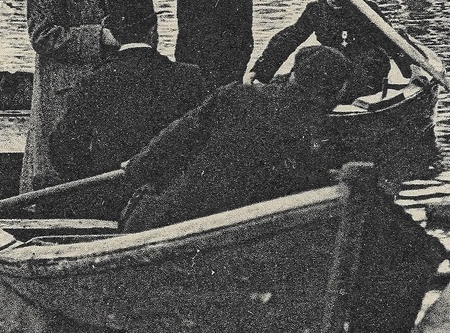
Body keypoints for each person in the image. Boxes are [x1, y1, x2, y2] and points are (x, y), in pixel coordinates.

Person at [120, 45, 352, 233]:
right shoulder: (319, 132)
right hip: (226, 232)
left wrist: (134, 167)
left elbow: (175, 138)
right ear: (335, 93)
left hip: (162, 221)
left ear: (293, 74)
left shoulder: (235, 95)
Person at [48, 0, 210, 219]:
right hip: (174, 203)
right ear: (154, 28)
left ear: (112, 33)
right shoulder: (190, 76)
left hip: (113, 204)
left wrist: (97, 178)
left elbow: (62, 149)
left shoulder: (92, 83)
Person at [19, 0, 125, 194]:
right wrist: (99, 38)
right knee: (59, 170)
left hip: (105, 84)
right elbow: (42, 35)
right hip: (65, 91)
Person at [250, 0, 397, 102]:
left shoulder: (367, 9)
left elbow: (392, 40)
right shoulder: (316, 10)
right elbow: (290, 38)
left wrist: (411, 68)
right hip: (333, 64)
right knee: (294, 77)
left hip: (366, 65)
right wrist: (259, 71)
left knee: (349, 87)